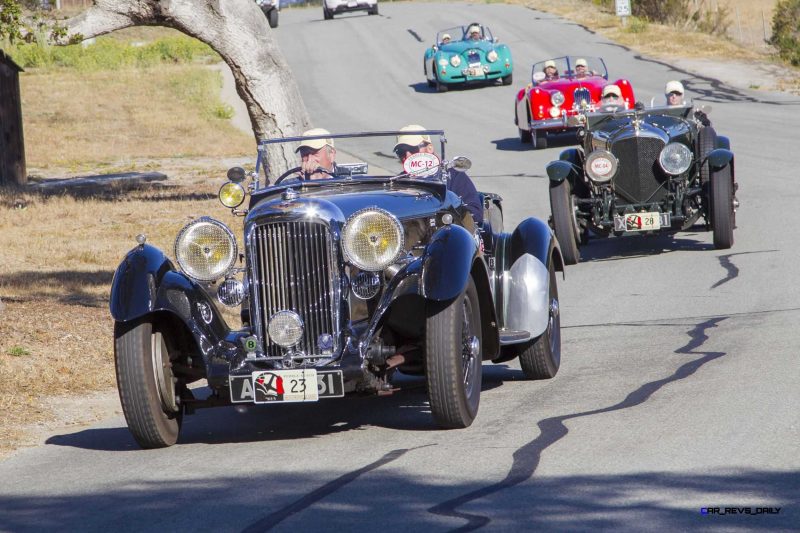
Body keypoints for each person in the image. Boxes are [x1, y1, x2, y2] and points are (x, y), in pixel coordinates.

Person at [393, 125, 483, 227]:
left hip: (446, 233)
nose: (408, 155)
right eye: (401, 152)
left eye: (412, 149)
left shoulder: (453, 175)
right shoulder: (399, 181)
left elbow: (475, 214)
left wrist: (446, 215)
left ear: (429, 148)